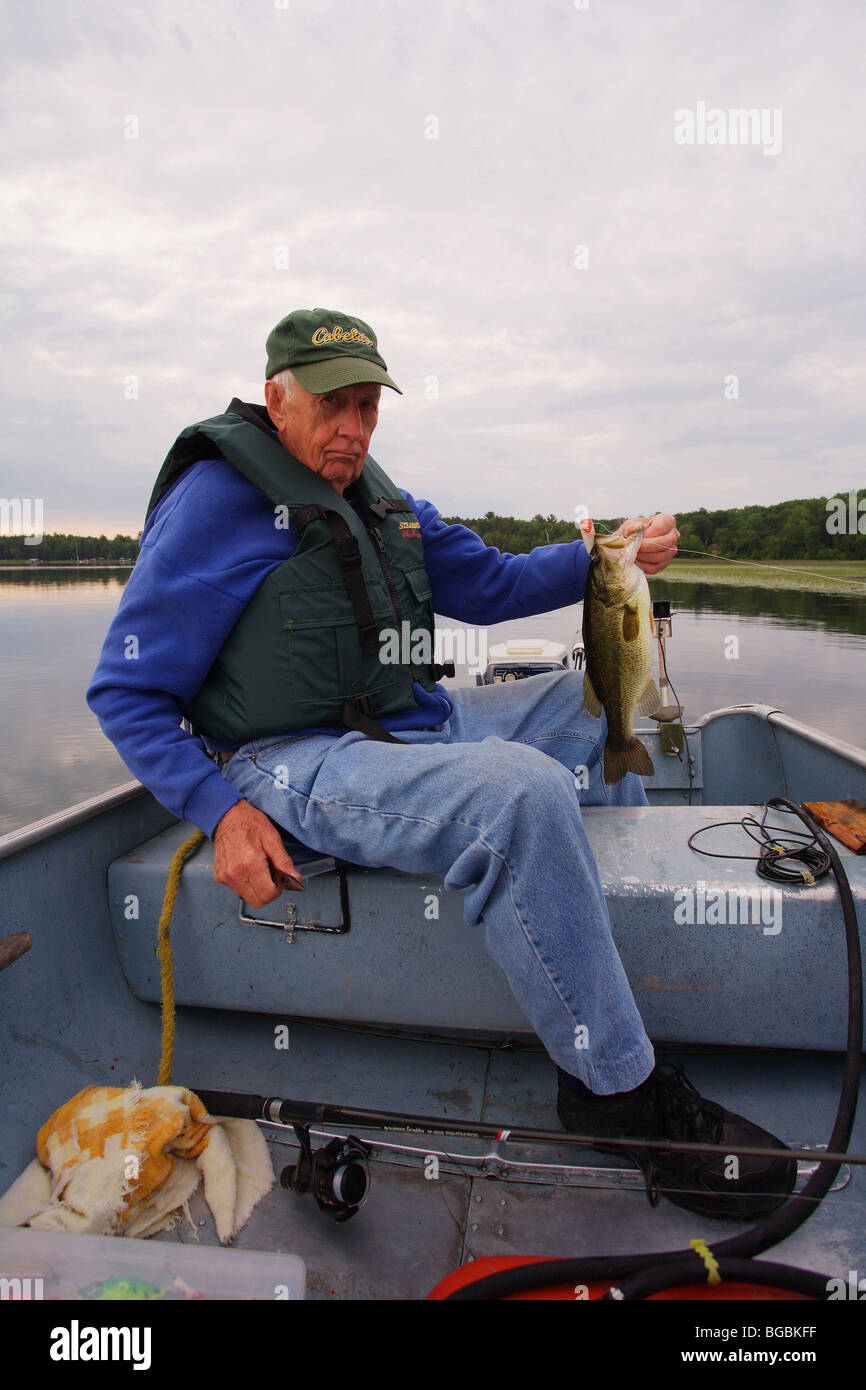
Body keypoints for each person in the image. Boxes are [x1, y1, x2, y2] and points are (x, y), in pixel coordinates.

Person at [87, 306, 796, 1221]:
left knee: (590, 713)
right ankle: (614, 1087)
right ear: (276, 397)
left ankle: (596, 952)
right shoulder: (220, 499)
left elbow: (494, 583)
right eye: (334, 405)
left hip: (414, 722)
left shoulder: (373, 491)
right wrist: (219, 812)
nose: (354, 428)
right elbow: (125, 692)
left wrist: (599, 553)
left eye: (370, 408)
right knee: (521, 793)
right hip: (294, 756)